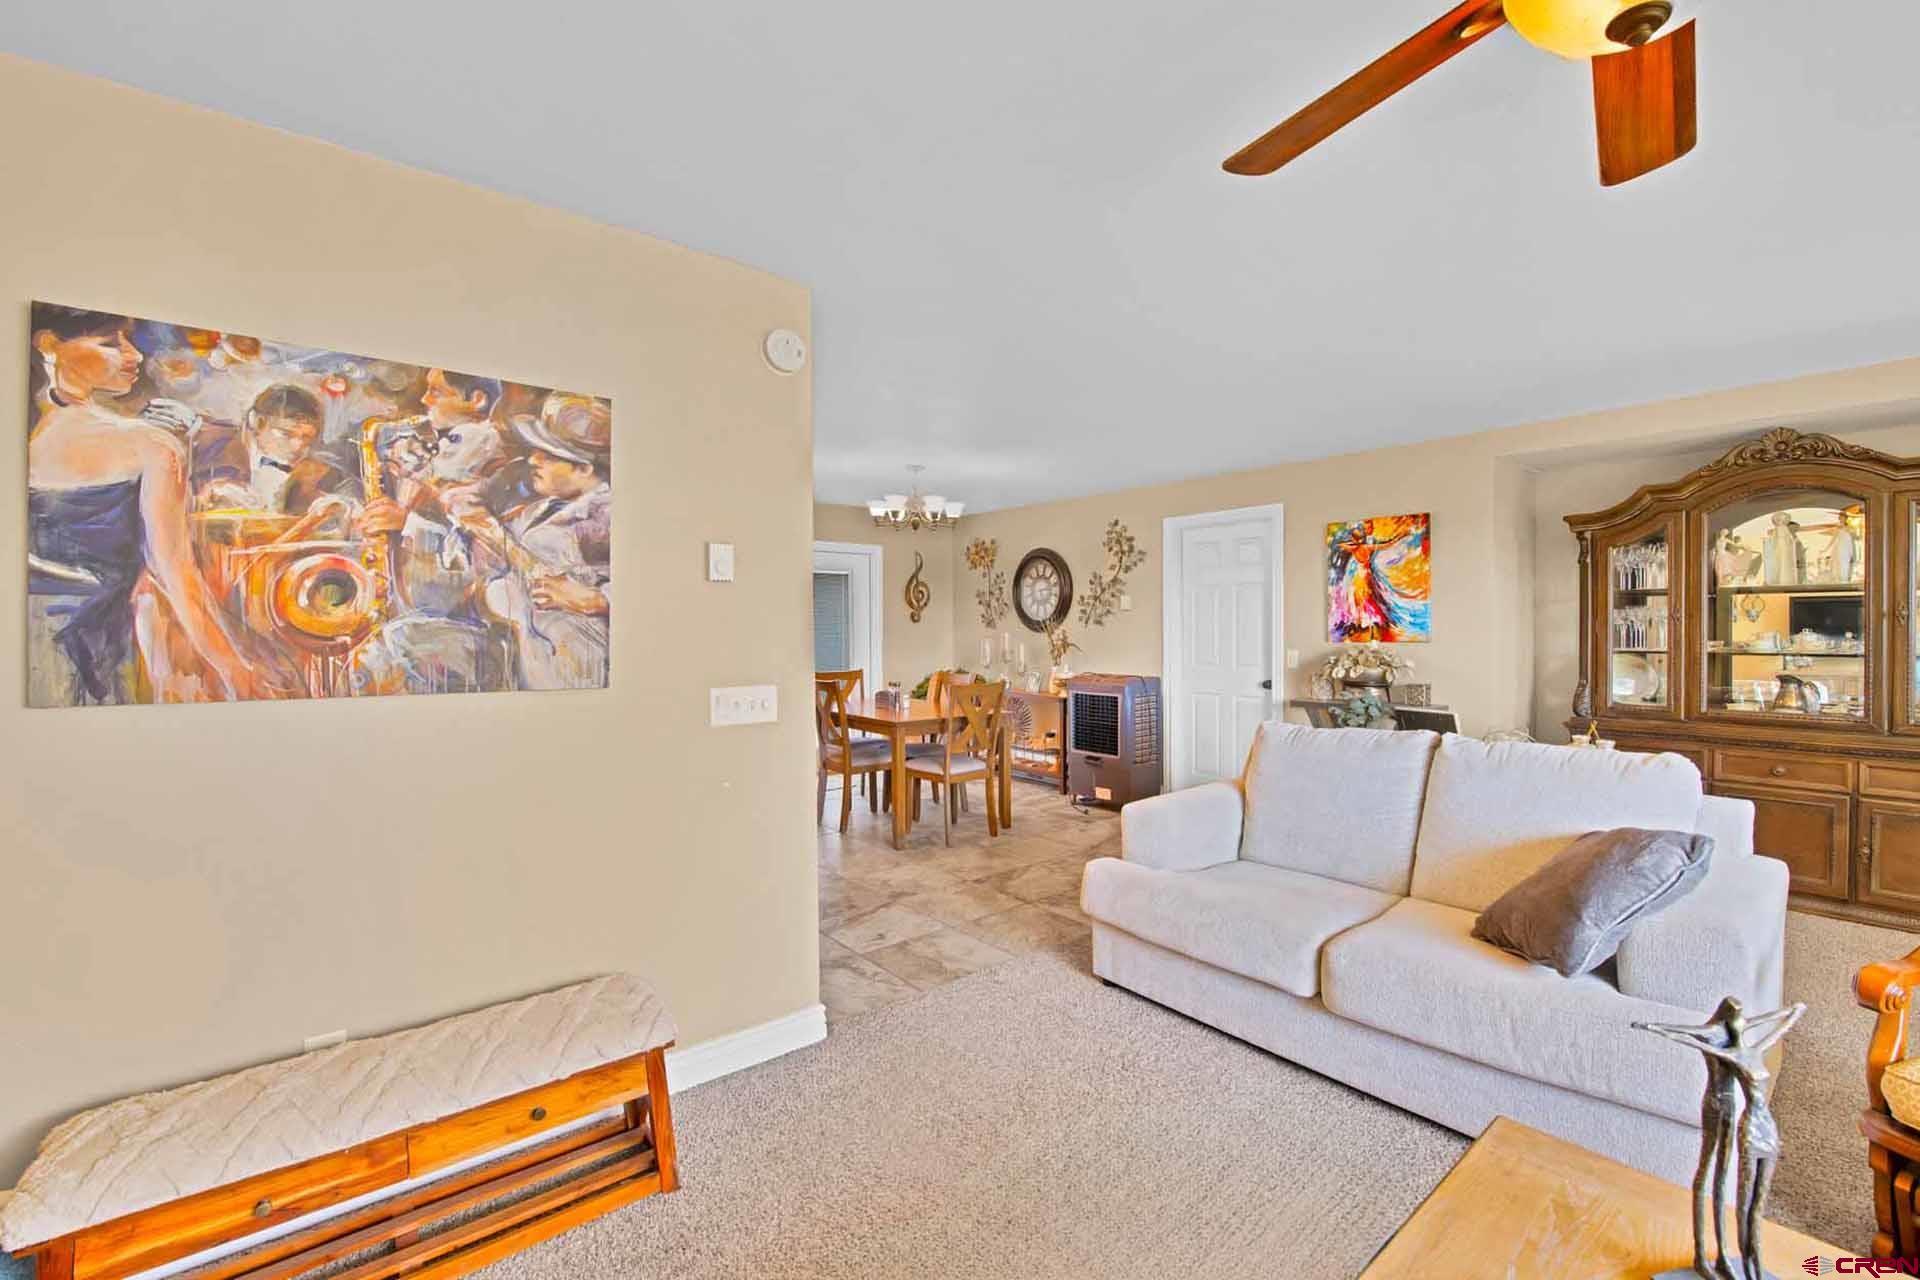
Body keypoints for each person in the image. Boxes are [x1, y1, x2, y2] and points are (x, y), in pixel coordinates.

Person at [27, 305, 276, 704]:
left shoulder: (31, 440)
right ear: (49, 346)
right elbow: (177, 575)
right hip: (99, 651)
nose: (134, 355)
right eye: (110, 343)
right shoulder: (151, 446)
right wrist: (236, 669)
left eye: (129, 341)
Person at [469, 393, 611, 690]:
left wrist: (600, 600)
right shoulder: (538, 509)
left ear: (584, 468)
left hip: (573, 664)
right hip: (524, 652)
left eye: (548, 454)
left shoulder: (606, 518)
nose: (533, 460)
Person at [191, 382, 348, 514]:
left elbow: (346, 498)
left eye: (306, 437)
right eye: (286, 434)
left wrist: (339, 506)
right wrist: (207, 496)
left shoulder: (319, 472)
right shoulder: (207, 444)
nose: (298, 446)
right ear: (257, 422)